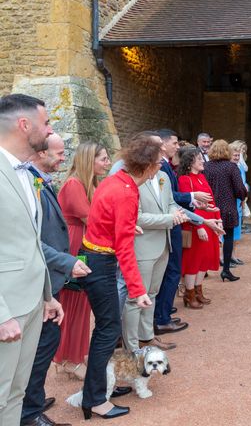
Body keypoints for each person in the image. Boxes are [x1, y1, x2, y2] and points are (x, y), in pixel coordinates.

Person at [77, 134, 161, 420]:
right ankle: (95, 399)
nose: (160, 167)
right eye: (158, 163)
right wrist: (139, 290)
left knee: (106, 330)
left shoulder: (117, 182)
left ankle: (97, 391)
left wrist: (127, 228)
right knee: (107, 331)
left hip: (95, 257)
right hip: (102, 263)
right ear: (148, 166)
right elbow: (124, 248)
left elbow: (105, 218)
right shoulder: (126, 190)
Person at [0, 94, 63, 426]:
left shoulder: (26, 173)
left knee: (15, 393)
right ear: (24, 125)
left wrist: (46, 296)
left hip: (32, 304)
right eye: (47, 121)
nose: (50, 128)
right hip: (6, 311)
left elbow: (30, 243)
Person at [22, 134, 91, 426]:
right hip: (38, 274)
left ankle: (31, 399)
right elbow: (31, 238)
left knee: (45, 343)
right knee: (39, 346)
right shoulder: (27, 181)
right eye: (60, 153)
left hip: (49, 274)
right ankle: (28, 412)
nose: (64, 158)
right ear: (40, 153)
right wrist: (67, 260)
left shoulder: (40, 179)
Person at [121, 136, 189, 353]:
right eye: (158, 159)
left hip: (163, 244)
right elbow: (136, 218)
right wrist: (170, 219)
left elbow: (170, 203)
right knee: (135, 298)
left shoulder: (163, 178)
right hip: (141, 246)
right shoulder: (131, 181)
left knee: (151, 293)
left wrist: (174, 213)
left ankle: (146, 337)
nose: (162, 162)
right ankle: (131, 347)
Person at [55, 141, 111, 381]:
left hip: (83, 244)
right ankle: (68, 359)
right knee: (73, 305)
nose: (107, 163)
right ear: (90, 160)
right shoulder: (74, 184)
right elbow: (92, 219)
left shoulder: (87, 183)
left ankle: (76, 354)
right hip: (75, 245)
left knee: (82, 305)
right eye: (103, 159)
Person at [154, 129, 210, 335]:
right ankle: (161, 318)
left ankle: (163, 312)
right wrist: (192, 198)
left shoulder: (166, 166)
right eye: (175, 143)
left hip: (174, 221)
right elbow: (171, 197)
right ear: (163, 144)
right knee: (171, 271)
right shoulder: (162, 167)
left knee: (170, 271)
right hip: (171, 224)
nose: (178, 147)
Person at [177, 147, 223, 308]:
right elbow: (188, 207)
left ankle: (198, 290)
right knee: (193, 260)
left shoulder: (202, 177)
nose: (203, 161)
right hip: (196, 224)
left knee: (204, 259)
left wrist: (218, 220)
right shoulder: (184, 180)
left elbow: (212, 201)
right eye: (199, 159)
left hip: (209, 222)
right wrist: (199, 226)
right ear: (190, 163)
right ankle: (189, 294)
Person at [204, 140, 247, 282]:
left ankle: (203, 269)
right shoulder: (231, 167)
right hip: (227, 206)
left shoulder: (206, 167)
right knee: (228, 237)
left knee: (208, 237)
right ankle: (226, 270)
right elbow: (240, 189)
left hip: (209, 207)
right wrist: (242, 196)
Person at [228, 140, 249, 265]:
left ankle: (233, 254)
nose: (241, 153)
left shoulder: (240, 165)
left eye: (243, 150)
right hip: (231, 199)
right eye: (240, 150)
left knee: (237, 230)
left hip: (238, 199)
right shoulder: (229, 166)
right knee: (229, 230)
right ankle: (224, 256)